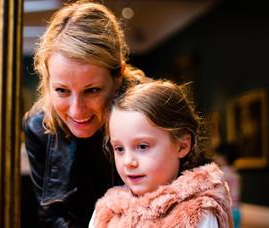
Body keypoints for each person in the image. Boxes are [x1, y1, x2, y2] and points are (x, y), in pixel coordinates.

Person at [22, 1, 148, 227]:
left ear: (118, 76)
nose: (76, 110)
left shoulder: (151, 114)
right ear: (47, 79)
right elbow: (51, 216)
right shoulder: (36, 127)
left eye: (92, 90)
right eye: (62, 90)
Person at [90, 80, 233, 228]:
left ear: (182, 146)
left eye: (142, 146)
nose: (128, 161)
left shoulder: (198, 213)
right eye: (119, 149)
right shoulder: (105, 212)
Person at [214, 142, 241, 228]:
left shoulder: (221, 173)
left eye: (217, 155)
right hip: (236, 210)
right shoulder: (235, 173)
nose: (215, 157)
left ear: (224, 157)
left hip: (227, 211)